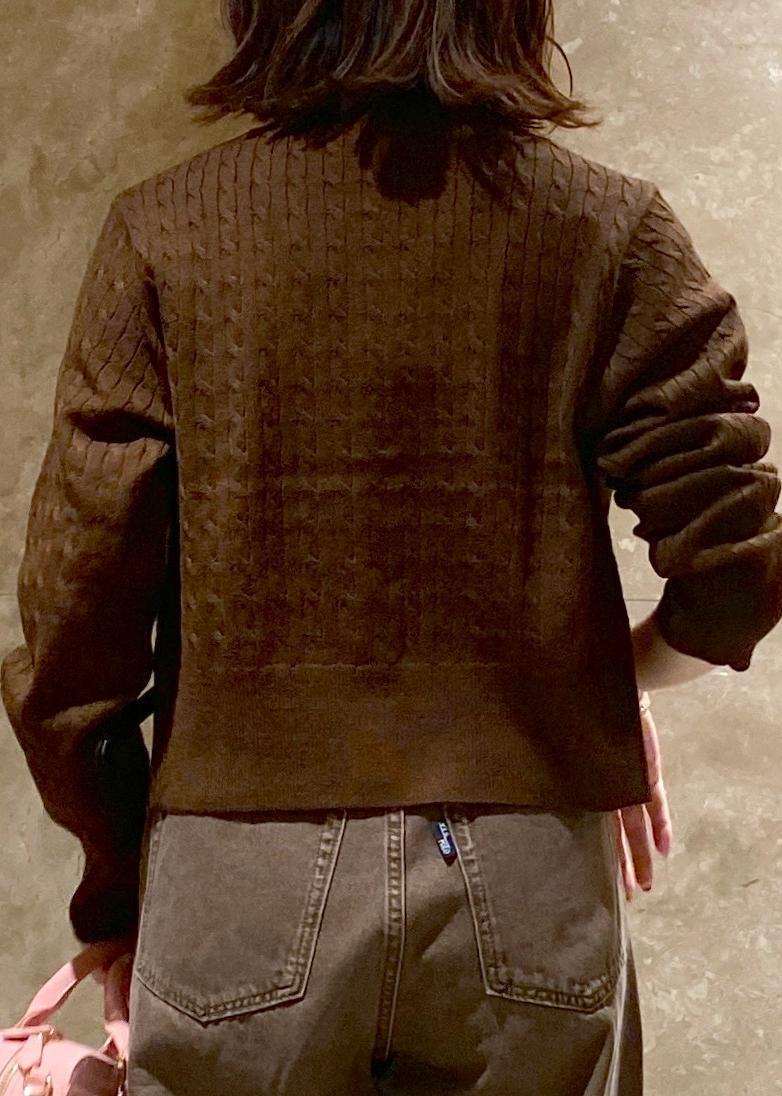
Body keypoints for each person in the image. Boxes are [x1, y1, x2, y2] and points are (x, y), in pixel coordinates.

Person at [2, 1, 780, 1093]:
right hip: (528, 877)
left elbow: (75, 633)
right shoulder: (608, 229)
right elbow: (737, 569)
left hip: (240, 884)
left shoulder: (164, 234)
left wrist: (118, 889)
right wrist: (595, 689)